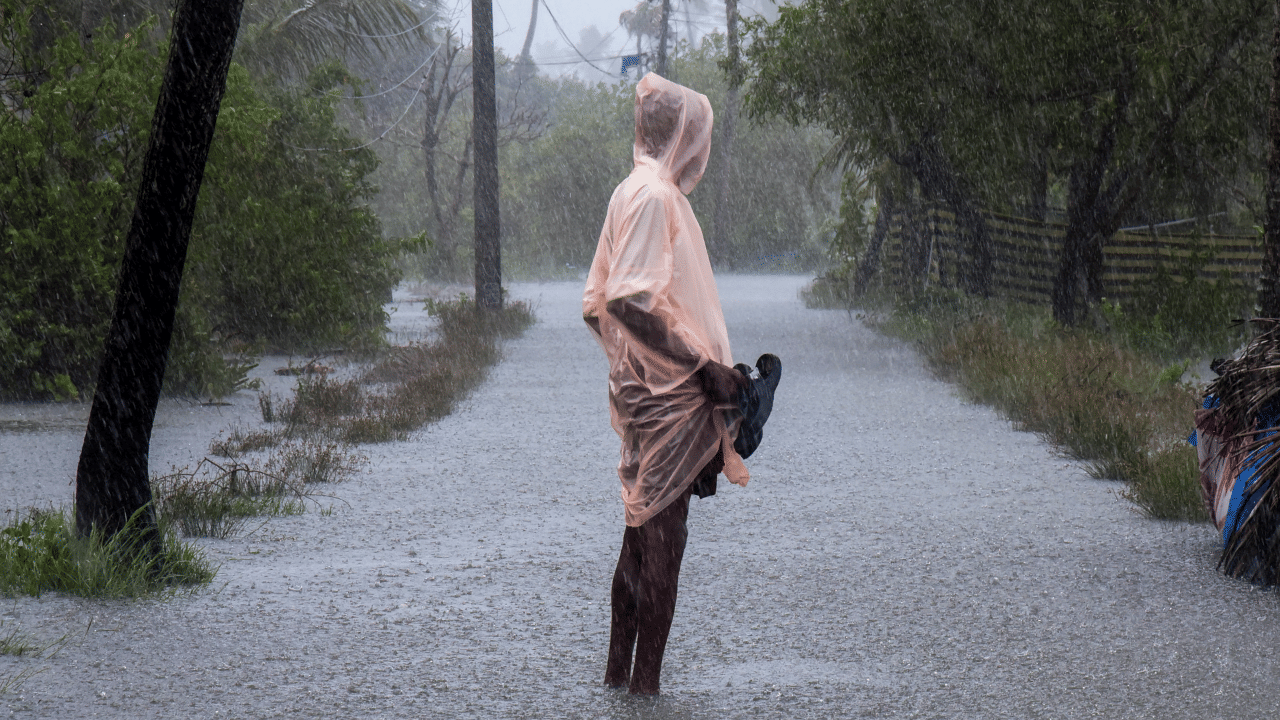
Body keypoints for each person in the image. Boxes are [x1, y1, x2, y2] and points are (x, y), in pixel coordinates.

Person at [582, 72, 750, 695]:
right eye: (699, 136)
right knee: (663, 546)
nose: (701, 150)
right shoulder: (654, 199)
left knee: (637, 537)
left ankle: (615, 683)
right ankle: (645, 691)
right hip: (670, 397)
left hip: (644, 394)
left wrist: (632, 370)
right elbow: (628, 298)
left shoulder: (629, 191)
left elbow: (593, 303)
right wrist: (696, 365)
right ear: (684, 136)